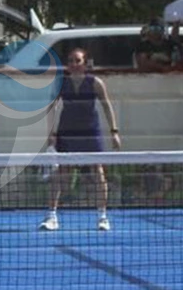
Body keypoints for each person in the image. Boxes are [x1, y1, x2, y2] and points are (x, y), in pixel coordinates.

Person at [41, 48, 122, 231]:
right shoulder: (61, 84)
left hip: (90, 133)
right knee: (62, 174)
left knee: (97, 171)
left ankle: (102, 217)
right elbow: (51, 108)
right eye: (70, 60)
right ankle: (51, 217)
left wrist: (114, 132)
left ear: (85, 63)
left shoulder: (95, 83)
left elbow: (107, 107)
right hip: (67, 133)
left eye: (77, 60)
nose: (74, 64)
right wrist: (51, 134)